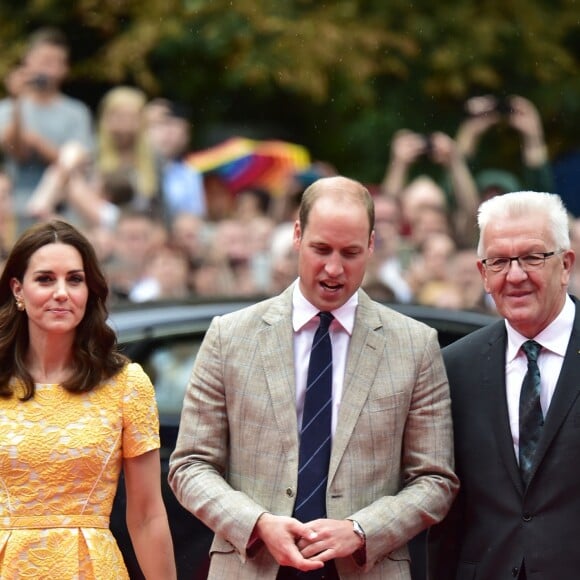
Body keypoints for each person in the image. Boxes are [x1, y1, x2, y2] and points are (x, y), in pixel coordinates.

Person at [168, 175, 458, 579]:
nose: (334, 269)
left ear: (372, 245)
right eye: (321, 249)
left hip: (364, 567)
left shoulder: (415, 345)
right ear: (297, 235)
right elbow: (190, 465)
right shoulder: (230, 336)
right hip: (251, 564)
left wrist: (361, 530)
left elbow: (434, 480)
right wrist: (256, 524)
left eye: (351, 252)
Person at [0, 219, 176, 578]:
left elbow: (146, 515)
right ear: (18, 289)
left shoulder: (126, 384)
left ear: (89, 291)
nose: (61, 292)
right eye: (45, 279)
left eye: (75, 279)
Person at [427, 191, 579, 579]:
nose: (515, 275)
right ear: (483, 274)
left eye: (531, 257)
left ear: (566, 264)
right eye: (499, 261)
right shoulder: (454, 367)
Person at [0, 28, 94, 233]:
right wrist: (17, 102)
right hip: (14, 210)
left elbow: (75, 163)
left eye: (55, 63)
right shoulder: (6, 109)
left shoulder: (76, 112)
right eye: (43, 61)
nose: (48, 70)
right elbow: (17, 151)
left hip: (64, 211)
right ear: (27, 62)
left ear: (65, 68)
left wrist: (37, 143)